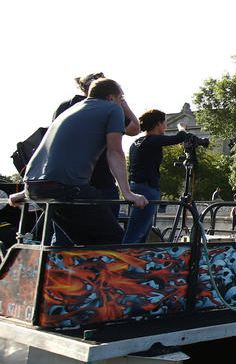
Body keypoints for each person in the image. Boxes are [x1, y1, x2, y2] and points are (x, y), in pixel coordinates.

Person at [9, 78, 147, 246]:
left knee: (81, 243)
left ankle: (74, 271)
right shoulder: (112, 108)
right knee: (112, 242)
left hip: (35, 185)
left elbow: (51, 154)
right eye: (121, 98)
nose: (122, 102)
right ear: (111, 98)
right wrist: (127, 193)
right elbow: (114, 152)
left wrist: (26, 192)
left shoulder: (72, 110)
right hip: (67, 186)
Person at [52, 72, 139, 220]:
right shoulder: (109, 108)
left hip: (63, 180)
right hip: (99, 178)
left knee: (65, 236)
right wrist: (126, 192)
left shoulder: (66, 107)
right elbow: (133, 130)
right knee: (108, 237)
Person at [122, 110, 191, 244]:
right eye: (165, 123)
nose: (166, 126)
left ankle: (136, 259)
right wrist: (181, 128)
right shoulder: (152, 140)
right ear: (159, 124)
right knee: (136, 232)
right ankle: (127, 260)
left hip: (136, 186)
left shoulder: (137, 143)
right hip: (147, 189)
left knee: (142, 230)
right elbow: (179, 137)